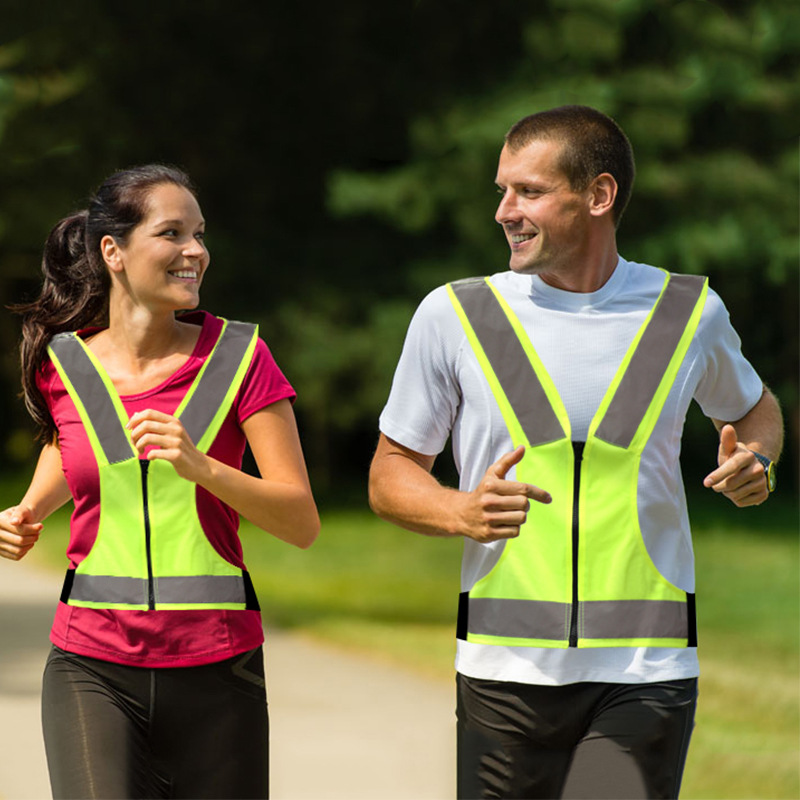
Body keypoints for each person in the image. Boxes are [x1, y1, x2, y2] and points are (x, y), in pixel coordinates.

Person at [368, 105, 783, 799]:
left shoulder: (687, 311)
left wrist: (759, 461)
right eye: (502, 190)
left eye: (528, 192)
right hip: (501, 674)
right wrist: (458, 510)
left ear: (598, 195)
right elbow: (389, 475)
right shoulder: (454, 315)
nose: (504, 211)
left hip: (645, 675)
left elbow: (754, 409)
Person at [0, 164, 320, 799]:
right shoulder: (65, 364)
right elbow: (74, 446)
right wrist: (29, 508)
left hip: (217, 666)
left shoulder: (241, 357)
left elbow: (300, 522)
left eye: (199, 234)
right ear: (113, 252)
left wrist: (202, 466)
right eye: (172, 233)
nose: (195, 251)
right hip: (89, 661)